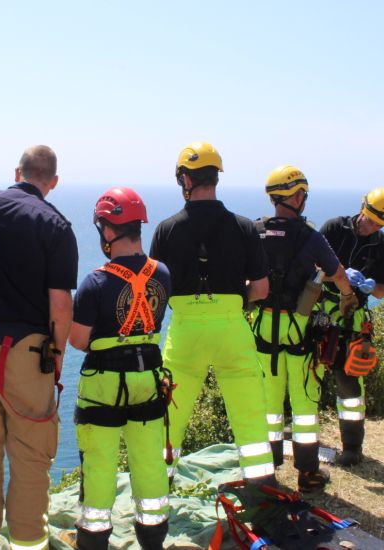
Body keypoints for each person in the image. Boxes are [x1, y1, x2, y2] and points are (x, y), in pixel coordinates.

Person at [0, 145, 77, 550]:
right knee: (29, 463)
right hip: (26, 353)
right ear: (52, 182)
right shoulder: (56, 226)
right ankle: (27, 544)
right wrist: (56, 357)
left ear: (17, 171)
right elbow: (60, 305)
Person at [149, 142, 275, 488]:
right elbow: (261, 289)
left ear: (184, 179)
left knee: (170, 414)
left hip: (186, 331)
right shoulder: (245, 227)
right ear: (216, 177)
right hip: (232, 328)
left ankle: (159, 485)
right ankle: (261, 487)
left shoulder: (166, 229)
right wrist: (234, 303)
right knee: (249, 412)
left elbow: (155, 291)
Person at [69, 187, 172, 550]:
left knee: (99, 464)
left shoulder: (96, 282)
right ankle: (153, 537)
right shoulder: (162, 273)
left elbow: (78, 340)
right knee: (148, 461)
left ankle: (94, 538)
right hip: (149, 379)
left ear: (108, 230)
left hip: (103, 385)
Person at [251, 165, 358, 491]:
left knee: (268, 404)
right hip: (298, 324)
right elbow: (337, 274)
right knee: (304, 404)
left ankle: (266, 471)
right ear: (296, 196)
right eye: (304, 194)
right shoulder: (311, 236)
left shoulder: (256, 231)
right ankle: (308, 473)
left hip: (262, 325)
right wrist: (348, 297)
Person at [317, 188, 384, 467]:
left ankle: (352, 446)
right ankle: (300, 435)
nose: (372, 227)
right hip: (321, 310)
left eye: (378, 225)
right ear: (362, 208)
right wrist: (337, 276)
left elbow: (383, 291)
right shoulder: (334, 229)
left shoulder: (383, 245)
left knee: (349, 380)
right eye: (370, 220)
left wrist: (371, 286)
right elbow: (310, 269)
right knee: (306, 373)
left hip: (353, 317)